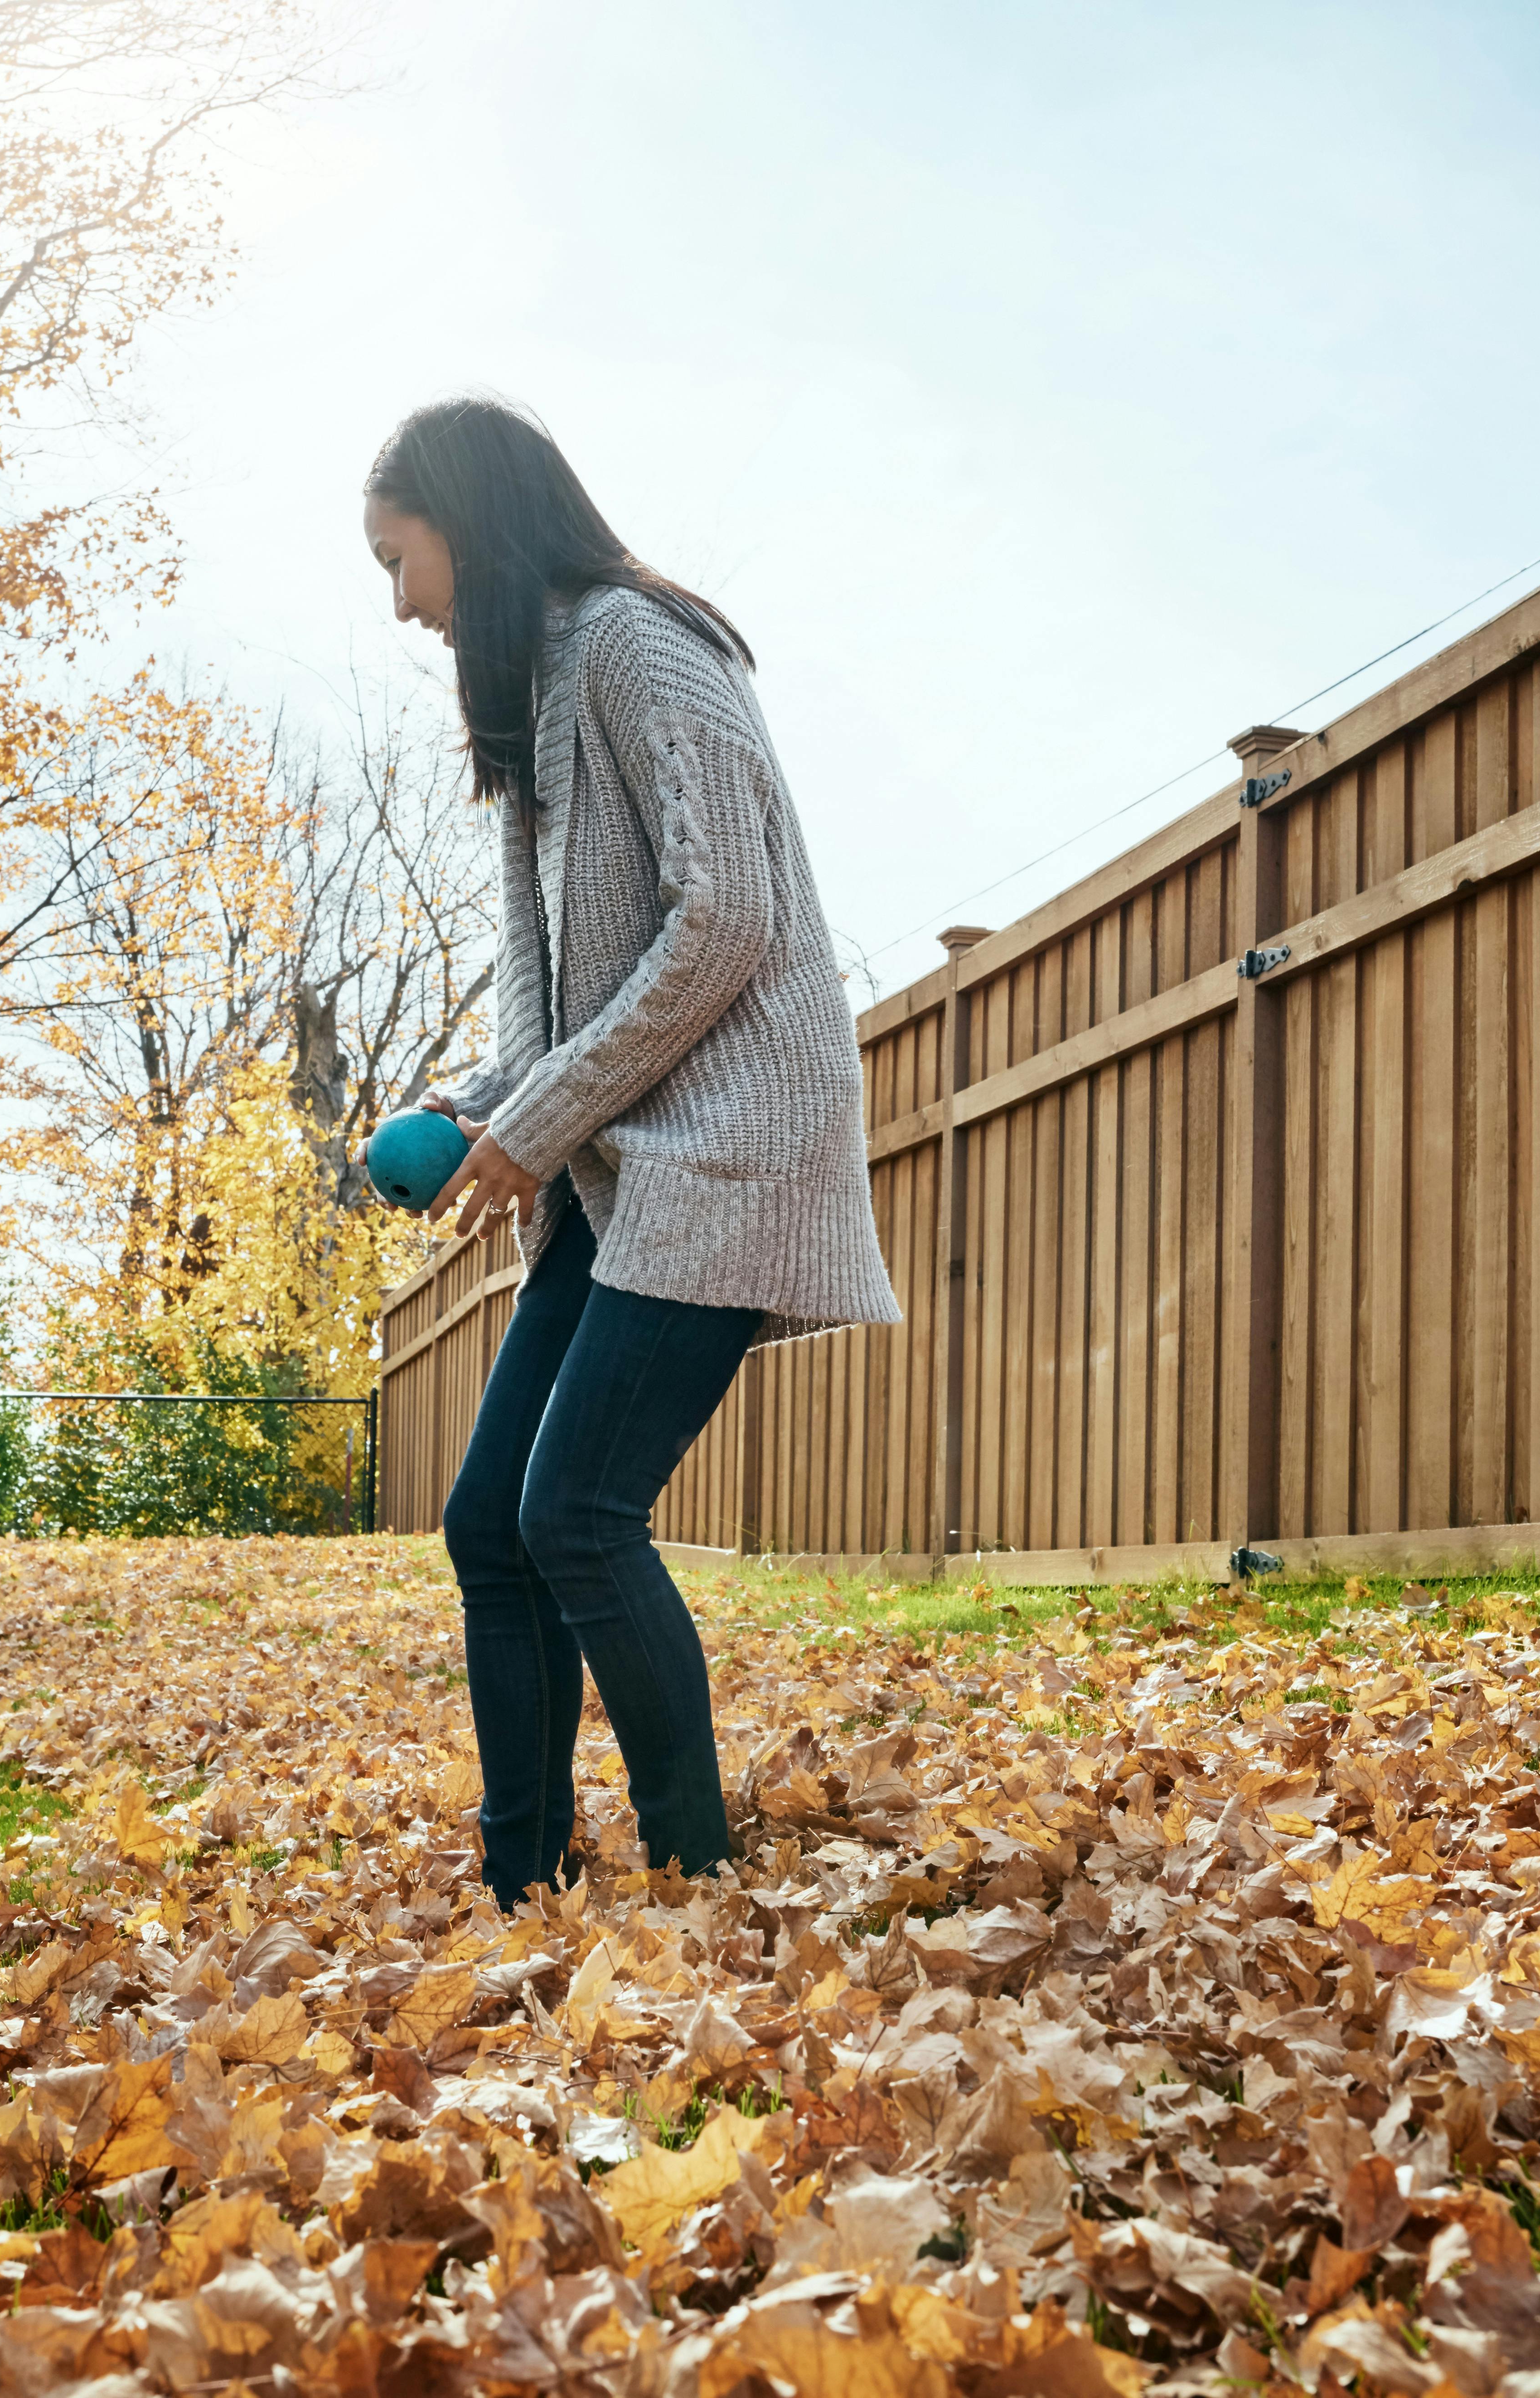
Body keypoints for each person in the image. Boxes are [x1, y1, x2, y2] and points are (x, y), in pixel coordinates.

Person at [364, 396, 900, 1912]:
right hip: (620, 1154)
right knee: (492, 1520)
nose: (402, 603)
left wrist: (537, 1124)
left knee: (577, 1514)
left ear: (469, 521)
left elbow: (728, 919)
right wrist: (483, 1106)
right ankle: (521, 1878)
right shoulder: (536, 698)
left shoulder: (644, 645)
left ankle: (695, 1872)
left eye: (402, 559)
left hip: (725, 1140)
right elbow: (557, 1006)